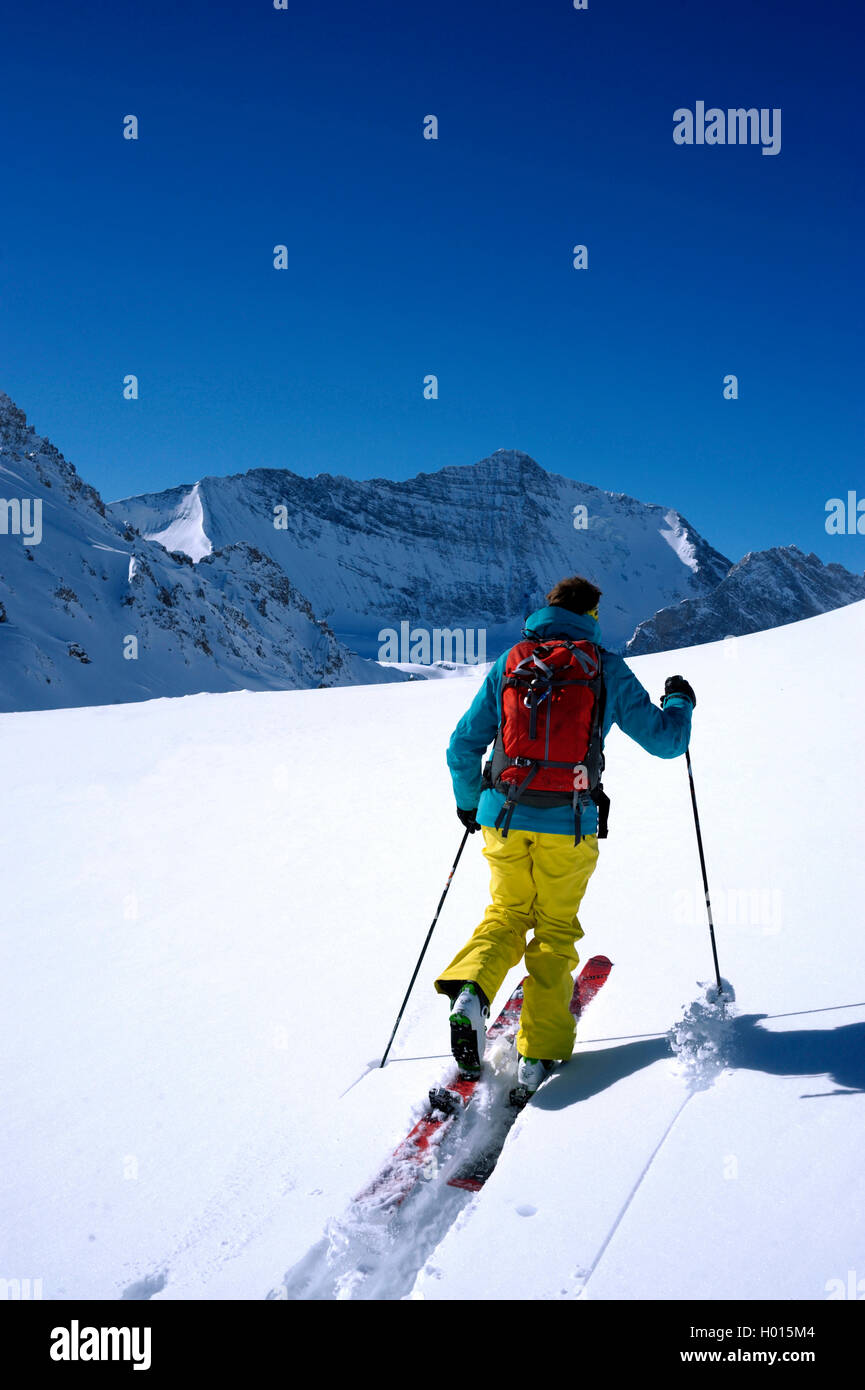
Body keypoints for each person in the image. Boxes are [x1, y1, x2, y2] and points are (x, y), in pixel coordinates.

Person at [435, 575, 696, 1096]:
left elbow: (462, 746)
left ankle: (473, 990)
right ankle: (538, 1052)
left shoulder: (512, 661)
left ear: (546, 609)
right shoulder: (603, 666)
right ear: (593, 615)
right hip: (569, 824)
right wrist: (679, 703)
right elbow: (666, 744)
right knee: (554, 932)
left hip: (502, 818)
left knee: (507, 914)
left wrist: (470, 804)